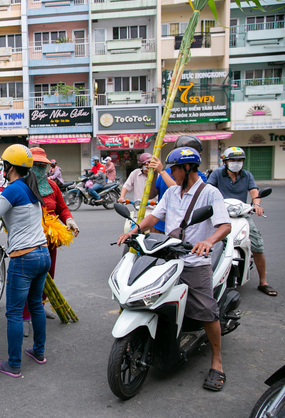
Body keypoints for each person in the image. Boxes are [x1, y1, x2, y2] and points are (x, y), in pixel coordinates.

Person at [117, 147, 231, 392]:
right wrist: (134, 231)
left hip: (195, 261)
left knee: (207, 311)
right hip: (168, 257)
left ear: (188, 168)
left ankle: (217, 362)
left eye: (174, 168)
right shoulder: (171, 193)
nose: (170, 173)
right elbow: (153, 217)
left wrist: (208, 241)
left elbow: (224, 226)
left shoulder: (210, 193)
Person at [0, 144, 51, 378]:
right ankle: (39, 352)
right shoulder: (30, 187)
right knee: (35, 305)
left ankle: (14, 364)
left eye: (3, 164)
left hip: (24, 258)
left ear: (9, 167)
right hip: (42, 254)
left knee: (14, 312)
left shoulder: (14, 189)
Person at [23, 148, 79, 335]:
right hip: (29, 241)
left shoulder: (52, 186)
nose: (39, 169)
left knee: (48, 274)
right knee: (27, 279)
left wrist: (70, 221)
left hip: (50, 240)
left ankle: (40, 305)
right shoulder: (22, 185)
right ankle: (24, 315)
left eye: (42, 165)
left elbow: (62, 208)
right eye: (35, 165)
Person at [207, 147, 275, 297]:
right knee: (208, 242)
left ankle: (263, 282)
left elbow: (254, 191)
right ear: (225, 162)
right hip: (220, 215)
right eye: (232, 160)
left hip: (242, 214)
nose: (236, 163)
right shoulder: (217, 174)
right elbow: (209, 190)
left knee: (257, 245)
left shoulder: (247, 175)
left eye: (239, 160)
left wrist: (256, 204)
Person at [149, 135, 208, 234]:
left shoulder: (200, 178)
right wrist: (154, 176)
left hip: (181, 231)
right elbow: (151, 195)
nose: (173, 173)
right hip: (158, 226)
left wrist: (162, 172)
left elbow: (181, 191)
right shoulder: (167, 172)